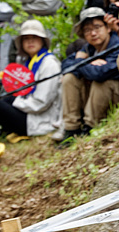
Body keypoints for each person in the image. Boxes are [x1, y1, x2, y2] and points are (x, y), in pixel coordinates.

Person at [0, 19, 62, 140]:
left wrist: (15, 102)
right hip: (28, 111)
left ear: (42, 40)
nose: (30, 41)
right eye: (26, 38)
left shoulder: (49, 63)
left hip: (39, 120)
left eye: (34, 37)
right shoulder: (28, 62)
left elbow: (40, 103)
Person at [60, 6, 119, 142]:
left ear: (108, 28)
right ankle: (72, 129)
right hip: (95, 101)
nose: (93, 33)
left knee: (102, 82)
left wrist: (81, 61)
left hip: (114, 99)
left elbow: (100, 74)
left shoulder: (116, 44)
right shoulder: (88, 48)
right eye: (87, 30)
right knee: (69, 78)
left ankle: (90, 128)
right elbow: (65, 65)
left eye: (97, 27)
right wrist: (87, 62)